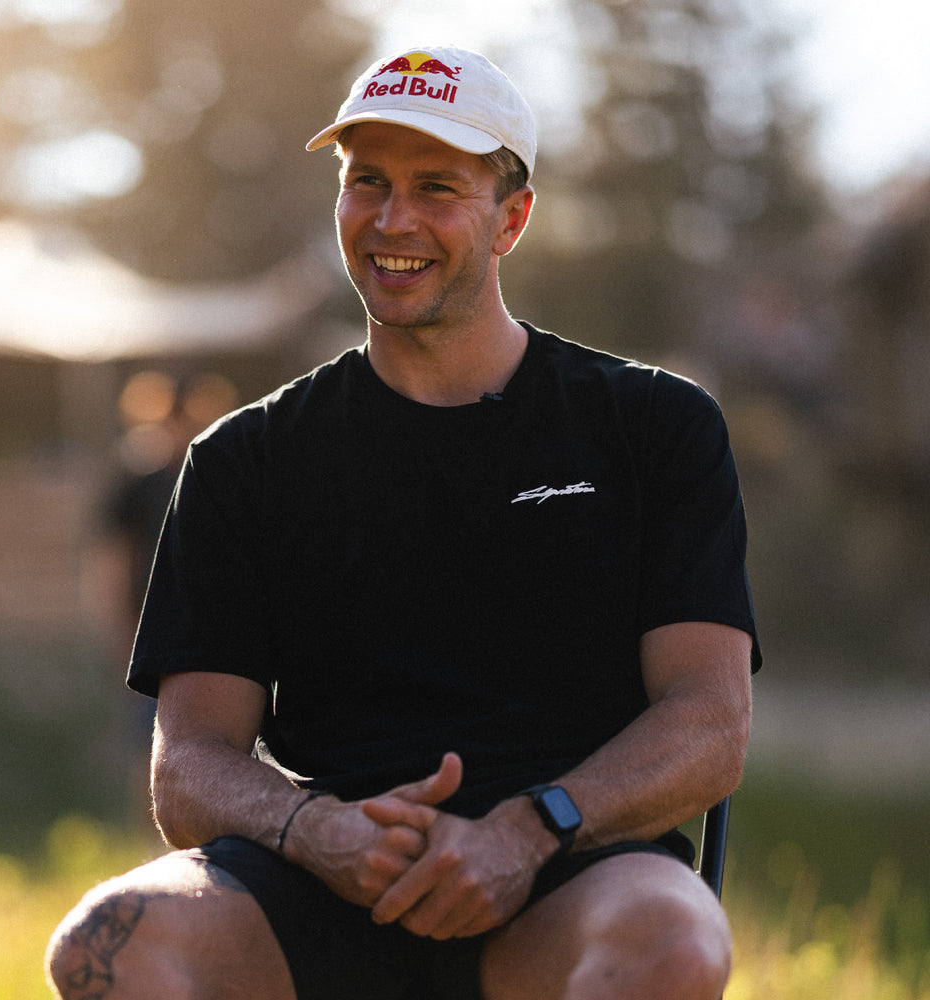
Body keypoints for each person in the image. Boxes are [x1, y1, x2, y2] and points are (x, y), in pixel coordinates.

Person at [46, 44, 760, 1000]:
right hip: (322, 879)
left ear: (512, 219)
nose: (392, 220)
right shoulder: (242, 460)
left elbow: (710, 723)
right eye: (368, 181)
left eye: (437, 188)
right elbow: (188, 767)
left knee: (673, 945)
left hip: (569, 866)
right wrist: (316, 830)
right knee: (106, 945)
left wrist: (525, 830)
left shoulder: (653, 426)